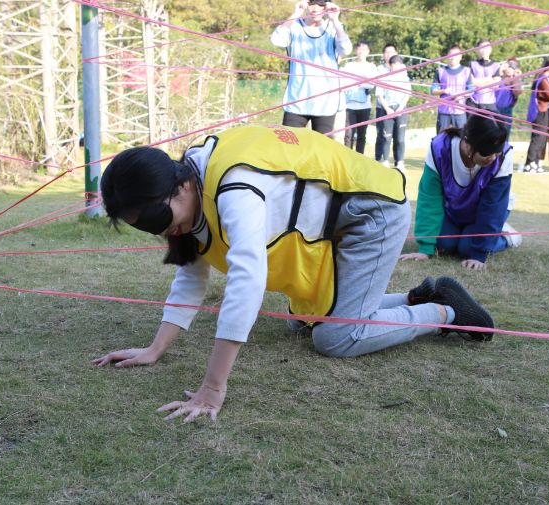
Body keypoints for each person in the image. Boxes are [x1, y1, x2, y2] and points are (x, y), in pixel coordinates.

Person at [93, 125, 495, 422]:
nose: (161, 229)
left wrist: (212, 390)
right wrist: (154, 349)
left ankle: (447, 313)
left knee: (338, 336)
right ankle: (418, 297)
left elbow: (246, 279)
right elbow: (191, 273)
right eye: (144, 225)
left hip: (372, 211)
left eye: (159, 216)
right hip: (334, 219)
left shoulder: (233, 189)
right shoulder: (191, 193)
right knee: (301, 320)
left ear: (179, 183)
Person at [399, 114, 520, 271]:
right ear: (469, 144)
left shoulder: (503, 156)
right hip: (456, 209)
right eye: (487, 153)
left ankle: (506, 236)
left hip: (487, 211)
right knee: (444, 244)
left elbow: (493, 206)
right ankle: (469, 233)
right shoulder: (439, 149)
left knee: (467, 248)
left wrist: (478, 254)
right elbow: (429, 198)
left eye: (496, 153)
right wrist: (425, 248)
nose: (493, 158)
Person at [270, 0, 352, 134]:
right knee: (289, 145)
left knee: (321, 150)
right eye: (312, 3)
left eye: (321, 4)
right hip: (297, 101)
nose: (316, 8)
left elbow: (346, 49)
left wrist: (335, 20)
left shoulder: (333, 28)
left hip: (325, 102)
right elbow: (276, 40)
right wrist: (296, 13)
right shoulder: (294, 27)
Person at [375, 55, 411, 170]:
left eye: (398, 64)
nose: (396, 66)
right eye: (393, 64)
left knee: (400, 138)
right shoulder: (384, 77)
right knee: (386, 137)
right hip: (387, 110)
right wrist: (387, 109)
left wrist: (400, 108)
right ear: (390, 65)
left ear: (401, 65)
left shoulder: (405, 78)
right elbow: (379, 95)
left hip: (401, 109)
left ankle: (399, 162)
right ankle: (385, 160)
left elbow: (407, 94)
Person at [341, 40, 377, 153]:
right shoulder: (349, 66)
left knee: (362, 134)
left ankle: (359, 157)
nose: (361, 52)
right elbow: (344, 83)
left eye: (364, 49)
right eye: (360, 49)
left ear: (368, 52)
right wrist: (361, 81)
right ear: (356, 50)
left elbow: (371, 84)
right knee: (348, 134)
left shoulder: (371, 67)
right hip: (349, 105)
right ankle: (347, 157)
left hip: (364, 105)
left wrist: (357, 82)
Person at [431, 45, 473, 132]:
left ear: (460, 56)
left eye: (456, 55)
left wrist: (461, 96)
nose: (452, 57)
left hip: (459, 112)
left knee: (462, 138)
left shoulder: (466, 71)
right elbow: (433, 90)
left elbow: (470, 90)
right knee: (441, 138)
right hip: (444, 112)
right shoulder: (440, 71)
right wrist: (443, 91)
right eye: (450, 54)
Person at [468, 40, 501, 113]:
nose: (484, 50)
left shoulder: (496, 65)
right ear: (477, 50)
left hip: (489, 103)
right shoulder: (472, 64)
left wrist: (478, 82)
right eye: (481, 48)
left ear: (490, 49)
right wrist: (489, 79)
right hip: (473, 102)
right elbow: (471, 82)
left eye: (486, 48)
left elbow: (496, 85)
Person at [495, 58, 523, 138]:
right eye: (508, 65)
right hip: (494, 109)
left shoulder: (514, 80)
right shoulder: (499, 77)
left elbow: (518, 91)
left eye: (512, 66)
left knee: (505, 135)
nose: (509, 68)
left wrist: (516, 77)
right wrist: (500, 71)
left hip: (506, 109)